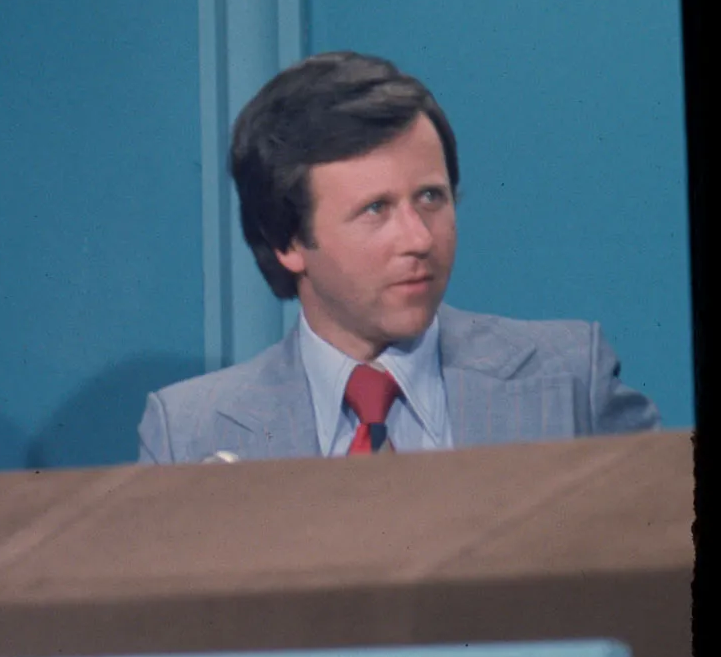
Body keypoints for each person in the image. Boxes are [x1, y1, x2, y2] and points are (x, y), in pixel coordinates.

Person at [139, 51, 658, 464]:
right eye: (375, 209)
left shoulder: (570, 381)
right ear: (289, 242)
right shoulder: (190, 433)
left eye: (431, 197)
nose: (418, 239)